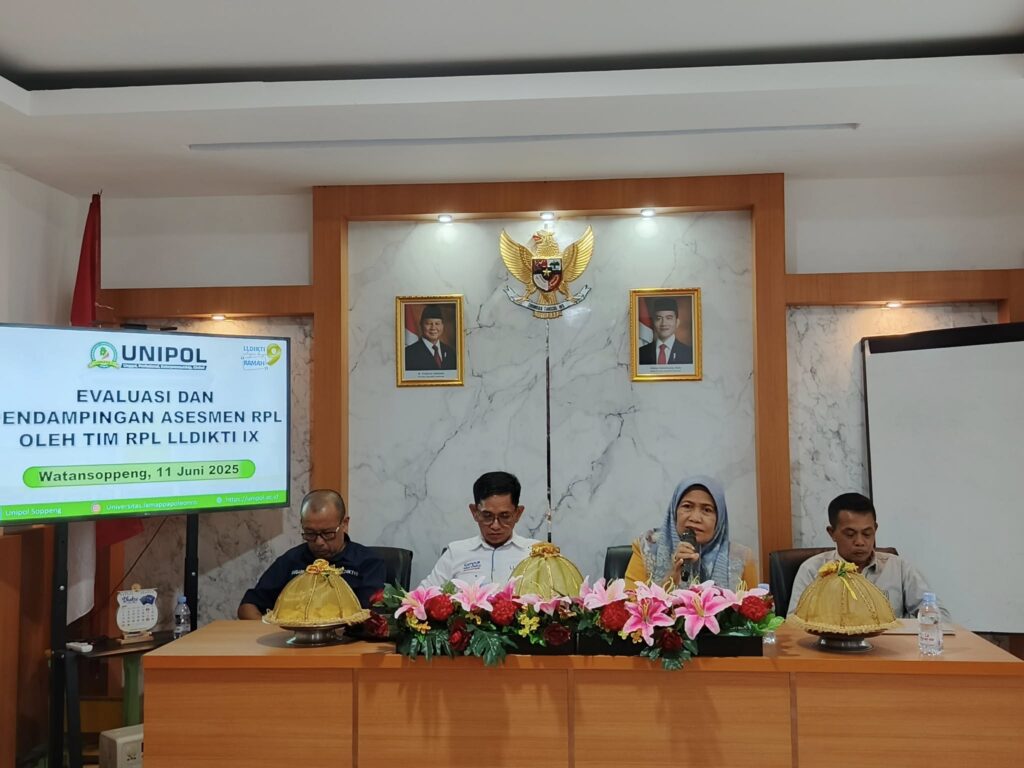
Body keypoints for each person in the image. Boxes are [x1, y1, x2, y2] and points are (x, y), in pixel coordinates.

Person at [786, 492, 949, 619]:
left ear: (875, 529)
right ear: (832, 533)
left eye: (867, 533)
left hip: (890, 650)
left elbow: (940, 616)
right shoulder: (812, 570)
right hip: (831, 650)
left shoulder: (899, 568)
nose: (860, 542)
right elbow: (794, 624)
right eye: (850, 534)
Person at [237, 489, 386, 618]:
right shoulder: (291, 560)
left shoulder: (368, 563)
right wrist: (268, 630)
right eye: (310, 533)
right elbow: (248, 606)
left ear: (344, 524)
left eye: (327, 533)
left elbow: (371, 616)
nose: (319, 542)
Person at [625, 475, 757, 589]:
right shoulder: (647, 547)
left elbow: (755, 607)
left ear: (720, 518)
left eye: (707, 510)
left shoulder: (741, 558)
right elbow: (630, 605)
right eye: (687, 506)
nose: (695, 518)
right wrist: (671, 577)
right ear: (674, 511)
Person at [419, 471, 539, 588]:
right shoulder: (456, 552)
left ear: (518, 513)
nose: (495, 526)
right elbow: (421, 596)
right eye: (487, 516)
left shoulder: (537, 553)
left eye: (504, 516)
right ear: (475, 512)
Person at [638, 297, 692, 366]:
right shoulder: (641, 353)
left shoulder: (689, 353)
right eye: (659, 318)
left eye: (669, 318)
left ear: (677, 322)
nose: (664, 323)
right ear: (653, 322)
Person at [404, 304, 456, 371]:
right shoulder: (409, 353)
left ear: (442, 326)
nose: (433, 328)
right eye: (428, 323)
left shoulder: (450, 353)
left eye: (437, 324)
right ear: (421, 325)